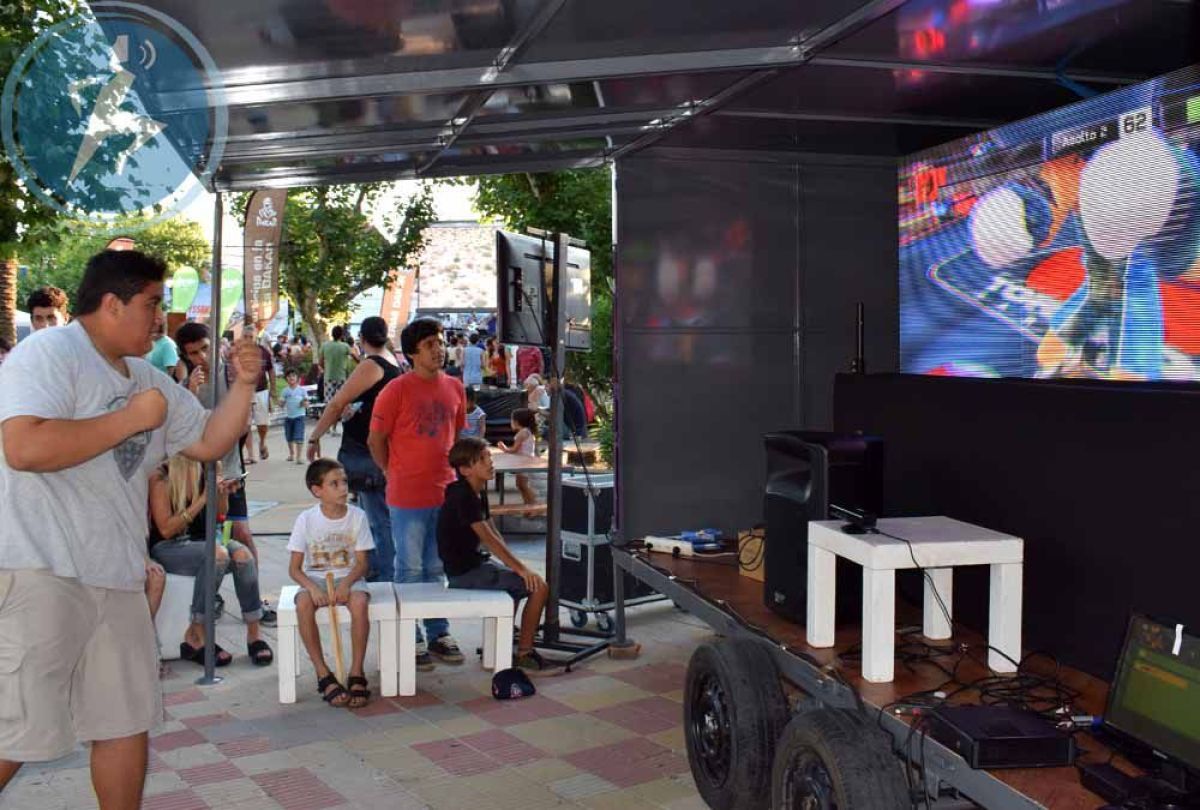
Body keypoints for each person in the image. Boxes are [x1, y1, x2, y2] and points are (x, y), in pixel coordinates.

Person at [0, 249, 259, 806]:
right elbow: (23, 448)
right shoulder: (49, 352)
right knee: (15, 729)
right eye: (151, 304)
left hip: (117, 574)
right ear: (112, 304)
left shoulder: (145, 377)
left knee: (123, 720)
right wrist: (129, 419)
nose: (160, 318)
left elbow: (209, 441)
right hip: (41, 567)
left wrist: (242, 385)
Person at [368, 317, 466, 671]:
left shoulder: (455, 387)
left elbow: (457, 434)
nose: (438, 350)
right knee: (409, 567)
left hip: (445, 492)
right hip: (406, 494)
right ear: (412, 352)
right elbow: (376, 440)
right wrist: (389, 470)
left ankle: (438, 632)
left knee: (437, 567)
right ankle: (410, 637)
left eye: (440, 342)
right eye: (429, 345)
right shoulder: (394, 390)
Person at [438, 437, 557, 675]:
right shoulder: (462, 496)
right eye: (483, 459)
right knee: (539, 587)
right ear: (465, 469)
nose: (490, 462)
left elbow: (494, 533)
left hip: (475, 564)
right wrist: (521, 569)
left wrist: (516, 566)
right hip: (464, 573)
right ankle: (525, 653)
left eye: (489, 457)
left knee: (519, 582)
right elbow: (489, 541)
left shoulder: (476, 491)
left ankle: (498, 646)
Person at [306, 316, 400, 582]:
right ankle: (378, 569)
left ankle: (385, 574)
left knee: (376, 519)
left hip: (366, 450)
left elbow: (336, 403)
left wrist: (315, 436)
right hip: (382, 447)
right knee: (376, 516)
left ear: (362, 338)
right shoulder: (393, 362)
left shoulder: (372, 365)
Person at [148, 456, 257, 667]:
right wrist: (203, 498)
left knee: (243, 556)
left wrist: (222, 493)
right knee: (217, 555)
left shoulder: (210, 467)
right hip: (169, 546)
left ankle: (254, 634)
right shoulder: (161, 477)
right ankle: (197, 632)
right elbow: (166, 529)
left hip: (204, 541)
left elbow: (221, 513)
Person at [287, 458, 374, 708]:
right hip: (315, 577)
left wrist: (346, 584)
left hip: (349, 575)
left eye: (344, 482)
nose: (343, 488)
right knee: (303, 604)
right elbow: (294, 569)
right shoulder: (306, 519)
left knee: (359, 602)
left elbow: (362, 564)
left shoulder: (357, 516)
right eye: (334, 484)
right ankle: (322, 673)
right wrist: (312, 588)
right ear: (317, 490)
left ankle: (356, 671)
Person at [498, 407, 539, 510]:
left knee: (522, 485)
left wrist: (504, 448)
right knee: (520, 484)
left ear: (516, 421)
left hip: (524, 462)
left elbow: (514, 449)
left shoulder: (522, 433)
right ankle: (528, 505)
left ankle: (533, 504)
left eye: (511, 420)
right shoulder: (527, 431)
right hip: (525, 461)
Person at [318, 326, 352, 436]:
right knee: (339, 404)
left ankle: (326, 427)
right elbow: (354, 356)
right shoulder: (345, 346)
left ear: (332, 334)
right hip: (341, 378)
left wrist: (326, 369)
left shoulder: (325, 346)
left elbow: (320, 362)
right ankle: (334, 428)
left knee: (328, 404)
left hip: (328, 378)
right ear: (342, 335)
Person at [248, 337, 276, 462]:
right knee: (246, 424)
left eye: (251, 336)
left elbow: (271, 370)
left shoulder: (264, 351)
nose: (249, 339)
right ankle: (250, 454)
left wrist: (273, 389)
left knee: (262, 423)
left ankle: (262, 442)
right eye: (246, 336)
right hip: (245, 391)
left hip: (261, 390)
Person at [281, 370, 308, 463]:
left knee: (299, 436)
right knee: (289, 436)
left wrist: (304, 403)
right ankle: (291, 453)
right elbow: (281, 403)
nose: (291, 378)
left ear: (297, 378)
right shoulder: (285, 391)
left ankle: (299, 457)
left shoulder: (302, 390)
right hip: (289, 417)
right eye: (289, 376)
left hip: (299, 416)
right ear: (286, 379)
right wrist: (281, 402)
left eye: (293, 376)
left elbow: (306, 403)